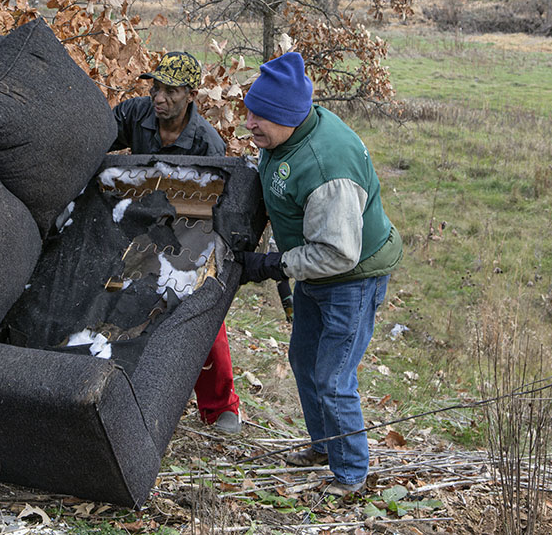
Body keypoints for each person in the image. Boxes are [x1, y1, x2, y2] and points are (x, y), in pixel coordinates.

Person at [237, 51, 402, 496]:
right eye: (249, 111)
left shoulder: (328, 169)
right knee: (303, 360)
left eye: (260, 117)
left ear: (289, 117)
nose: (249, 123)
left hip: (352, 278)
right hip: (316, 273)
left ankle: (351, 474)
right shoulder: (283, 138)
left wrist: (273, 265)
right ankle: (324, 446)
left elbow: (338, 254)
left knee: (333, 377)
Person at [111, 51, 242, 434]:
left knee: (198, 312)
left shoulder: (207, 143)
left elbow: (212, 207)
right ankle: (125, 393)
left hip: (190, 231)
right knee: (118, 297)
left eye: (169, 91)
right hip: (139, 225)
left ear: (189, 95)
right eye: (156, 88)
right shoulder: (136, 115)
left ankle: (221, 408)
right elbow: (100, 134)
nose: (159, 98)